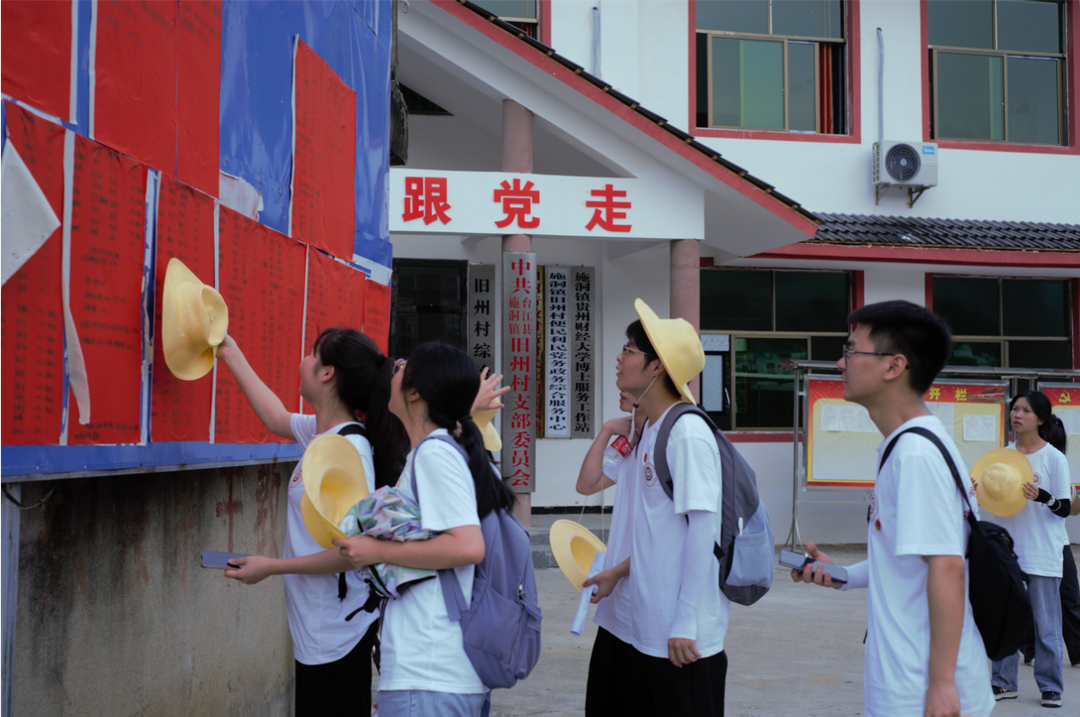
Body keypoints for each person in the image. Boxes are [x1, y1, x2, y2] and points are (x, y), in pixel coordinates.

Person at [791, 300, 994, 717]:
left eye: (851, 350)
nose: (840, 363)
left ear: (893, 365)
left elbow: (947, 567)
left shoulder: (915, 454)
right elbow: (908, 559)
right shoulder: (907, 446)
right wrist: (843, 575)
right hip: (907, 684)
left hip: (918, 692)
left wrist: (942, 683)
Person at [216, 328, 407, 716]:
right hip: (317, 627)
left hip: (335, 633)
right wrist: (229, 351)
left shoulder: (349, 450)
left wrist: (272, 567)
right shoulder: (325, 434)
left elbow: (353, 552)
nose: (303, 360)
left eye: (311, 353)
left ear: (327, 373)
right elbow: (275, 417)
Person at [333, 342, 517, 717]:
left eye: (401, 368)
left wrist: (378, 551)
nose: (393, 372)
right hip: (437, 673)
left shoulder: (435, 453)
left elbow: (468, 547)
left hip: (429, 673)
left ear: (415, 392)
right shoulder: (441, 451)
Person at [585, 301, 727, 716]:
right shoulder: (646, 430)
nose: (619, 358)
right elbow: (657, 533)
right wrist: (618, 571)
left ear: (657, 366)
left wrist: (686, 619)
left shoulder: (687, 433)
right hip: (636, 624)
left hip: (676, 637)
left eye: (629, 350)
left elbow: (703, 528)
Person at [987, 390, 1070, 708]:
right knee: (1005, 621)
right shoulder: (1001, 457)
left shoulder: (1053, 458)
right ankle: (1003, 681)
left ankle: (1050, 686)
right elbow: (991, 500)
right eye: (1015, 409)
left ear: (1041, 419)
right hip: (1008, 553)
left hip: (1042, 552)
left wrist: (1043, 496)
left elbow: (1065, 507)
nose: (1017, 415)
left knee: (1046, 625)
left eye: (1025, 410)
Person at [576, 390, 645, 717]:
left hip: (644, 608)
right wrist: (606, 431)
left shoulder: (668, 440)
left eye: (628, 355)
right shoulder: (631, 440)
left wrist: (618, 571)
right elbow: (586, 485)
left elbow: (671, 539)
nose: (618, 370)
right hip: (616, 605)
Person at [1021, 415, 1080, 669]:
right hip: (1027, 540)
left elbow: (1071, 509)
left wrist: (1063, 495)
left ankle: (1077, 652)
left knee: (1070, 596)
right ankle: (1031, 650)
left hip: (1058, 541)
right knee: (1031, 599)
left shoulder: (1056, 461)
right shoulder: (1018, 462)